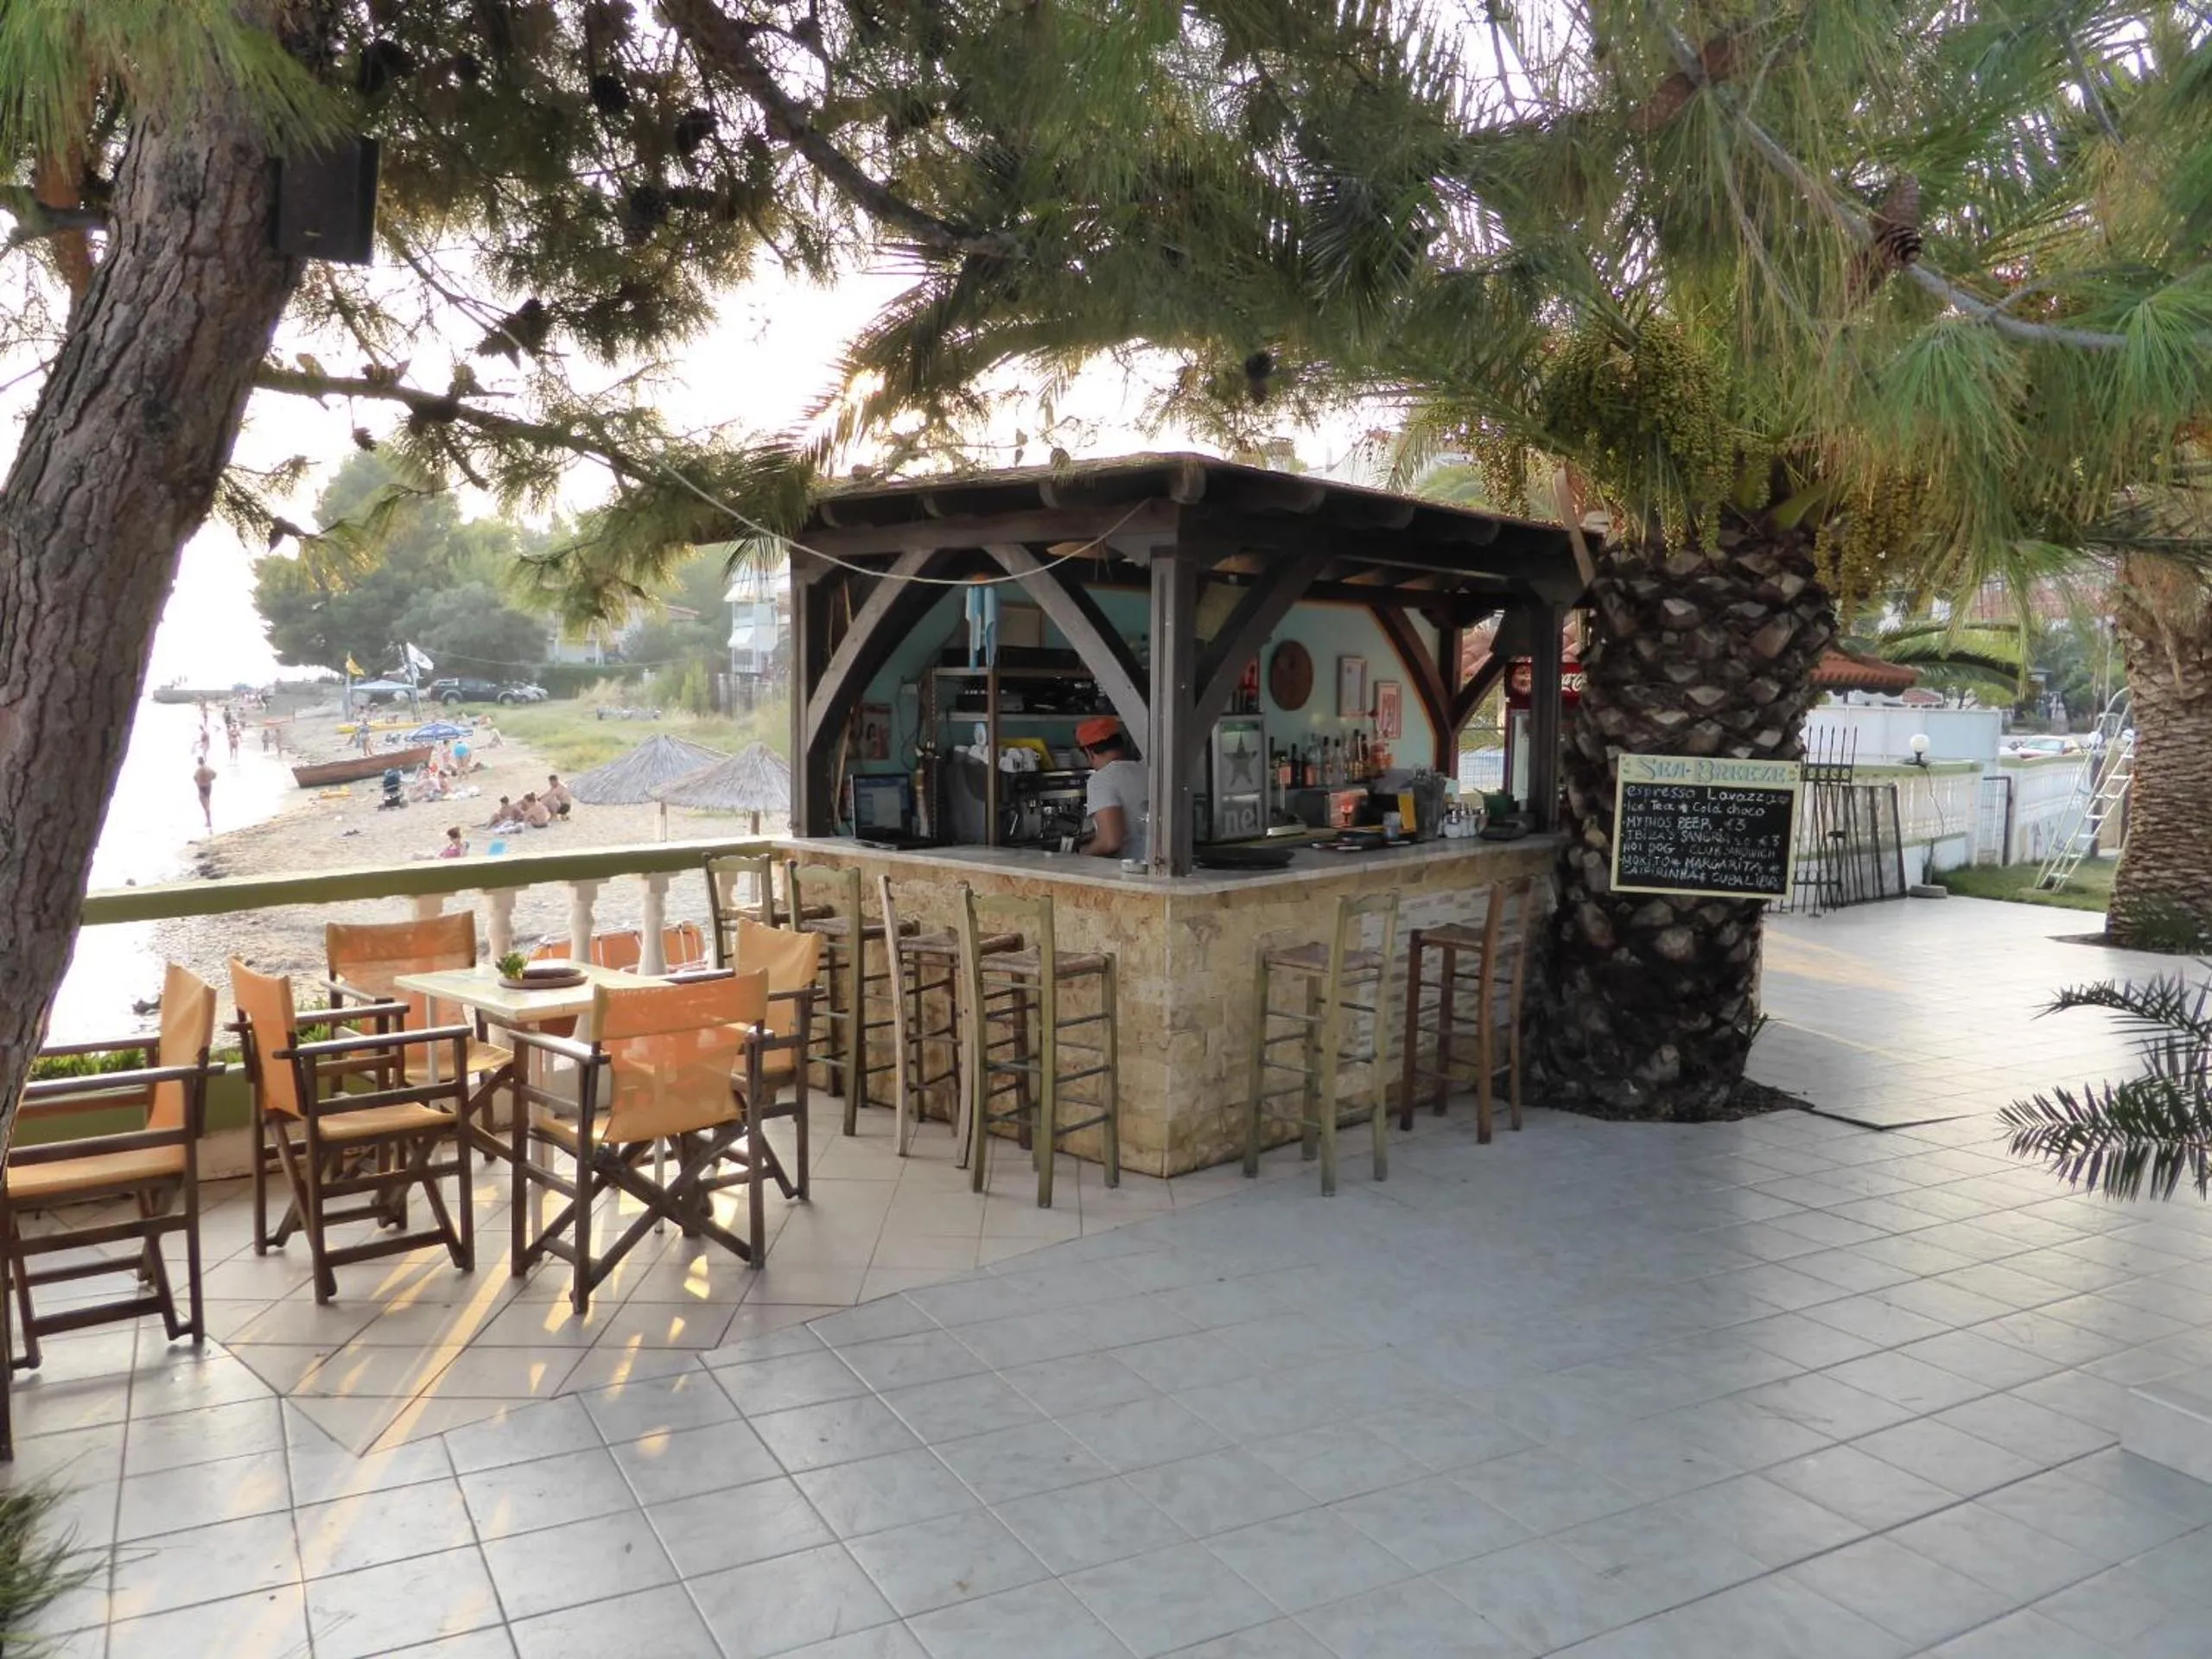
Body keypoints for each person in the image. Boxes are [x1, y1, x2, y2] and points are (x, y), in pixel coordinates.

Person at [1073, 717, 1148, 862]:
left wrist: (1081, 856)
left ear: (1090, 752)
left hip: (1131, 868)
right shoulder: (1146, 770)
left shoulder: (1102, 779)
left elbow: (1110, 842)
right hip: (1159, 864)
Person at [193, 760, 216, 831]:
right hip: (208, 786)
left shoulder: (198, 770)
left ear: (198, 762)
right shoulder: (208, 768)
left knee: (205, 806)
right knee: (208, 802)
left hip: (201, 788)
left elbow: (195, 778)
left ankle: (209, 822)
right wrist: (209, 780)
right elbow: (215, 774)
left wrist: (198, 783)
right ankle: (208, 821)